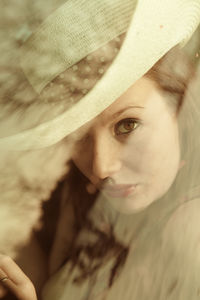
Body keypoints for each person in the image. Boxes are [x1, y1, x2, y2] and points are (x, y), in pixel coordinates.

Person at [0, 0, 200, 299]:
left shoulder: (190, 231)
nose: (100, 167)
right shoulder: (84, 199)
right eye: (76, 135)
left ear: (179, 104)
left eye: (128, 126)